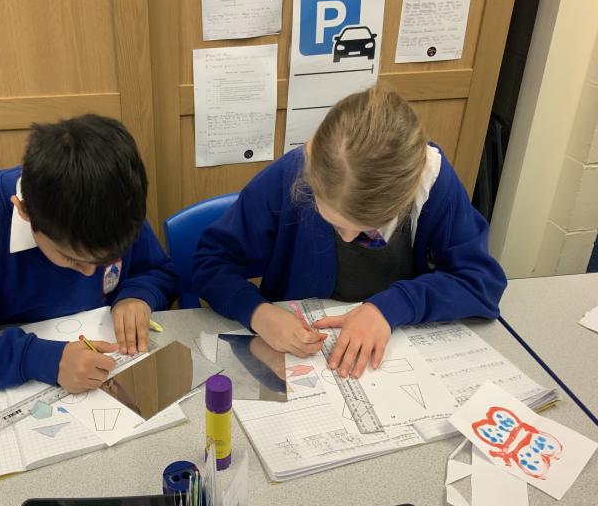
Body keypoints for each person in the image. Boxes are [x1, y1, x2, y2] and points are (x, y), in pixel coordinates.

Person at [193, 86, 506, 379]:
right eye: (333, 221)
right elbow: (209, 264)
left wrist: (390, 307)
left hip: (391, 357)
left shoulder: (432, 185)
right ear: (311, 159)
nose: (345, 238)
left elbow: (480, 283)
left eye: (366, 231)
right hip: (302, 356)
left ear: (405, 200)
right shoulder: (288, 175)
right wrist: (258, 313)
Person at [0, 115, 178, 392]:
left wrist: (138, 295)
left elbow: (157, 271)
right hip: (17, 385)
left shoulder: (116, 208)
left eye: (106, 260)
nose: (90, 273)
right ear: (24, 211)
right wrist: (41, 359)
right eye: (72, 259)